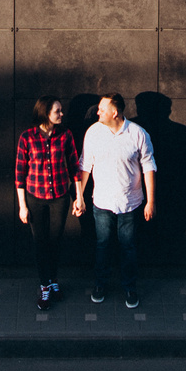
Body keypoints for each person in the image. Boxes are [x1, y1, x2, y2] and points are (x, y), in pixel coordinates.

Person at [76, 93, 156, 308]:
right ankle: (100, 284)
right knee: (102, 245)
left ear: (115, 112)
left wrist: (150, 201)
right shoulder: (93, 132)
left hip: (130, 203)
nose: (97, 111)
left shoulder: (137, 133)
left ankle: (129, 287)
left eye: (102, 108)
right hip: (101, 201)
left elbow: (148, 167)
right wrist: (79, 196)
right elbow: (85, 165)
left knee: (128, 247)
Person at [13, 97, 82, 310]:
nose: (62, 114)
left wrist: (79, 197)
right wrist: (22, 206)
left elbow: (75, 168)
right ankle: (44, 285)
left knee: (55, 241)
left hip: (60, 198)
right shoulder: (27, 138)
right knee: (40, 243)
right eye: (57, 111)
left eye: (61, 110)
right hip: (35, 199)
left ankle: (53, 281)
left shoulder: (66, 135)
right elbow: (19, 174)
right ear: (45, 113)